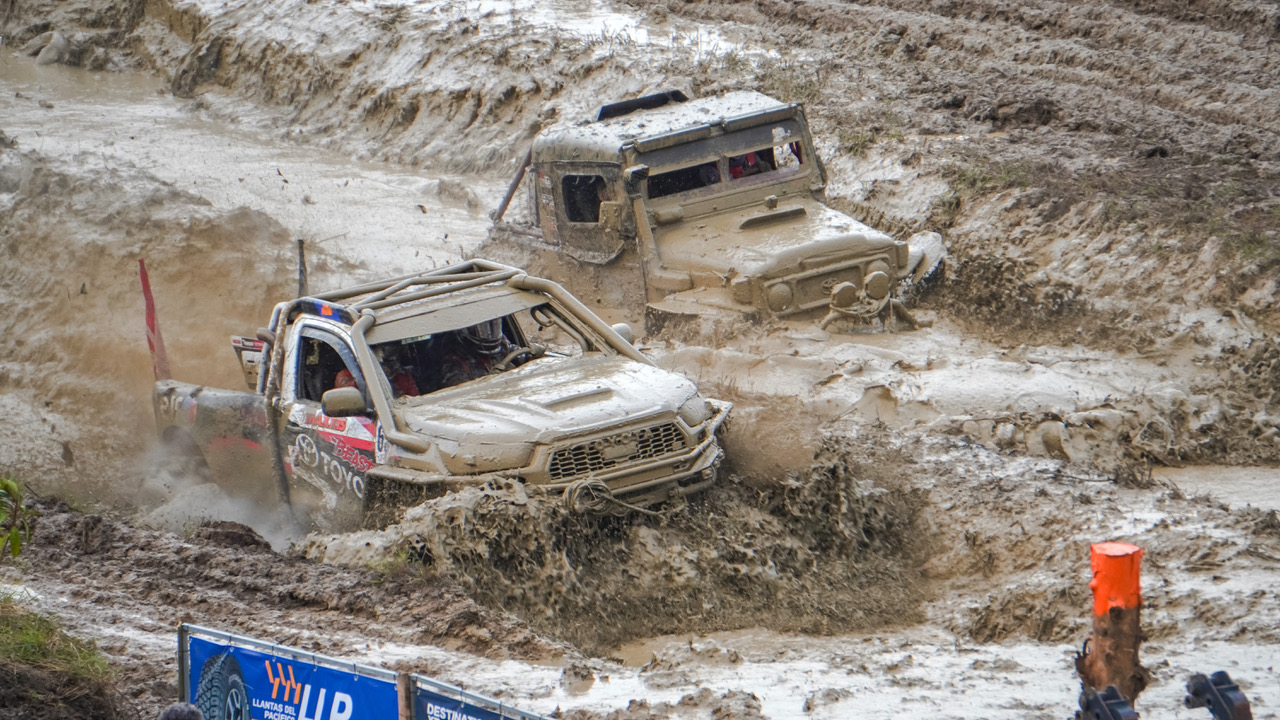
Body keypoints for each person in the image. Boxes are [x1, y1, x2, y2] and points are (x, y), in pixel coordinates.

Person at [435, 319, 515, 389]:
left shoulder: (501, 342)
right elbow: (465, 390)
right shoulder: (453, 362)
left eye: (492, 324)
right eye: (479, 328)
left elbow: (515, 351)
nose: (488, 331)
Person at [334, 345, 418, 398]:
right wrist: (372, 373)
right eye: (382, 361)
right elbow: (347, 400)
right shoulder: (347, 375)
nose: (387, 367)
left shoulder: (402, 376)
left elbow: (414, 399)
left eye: (390, 360)